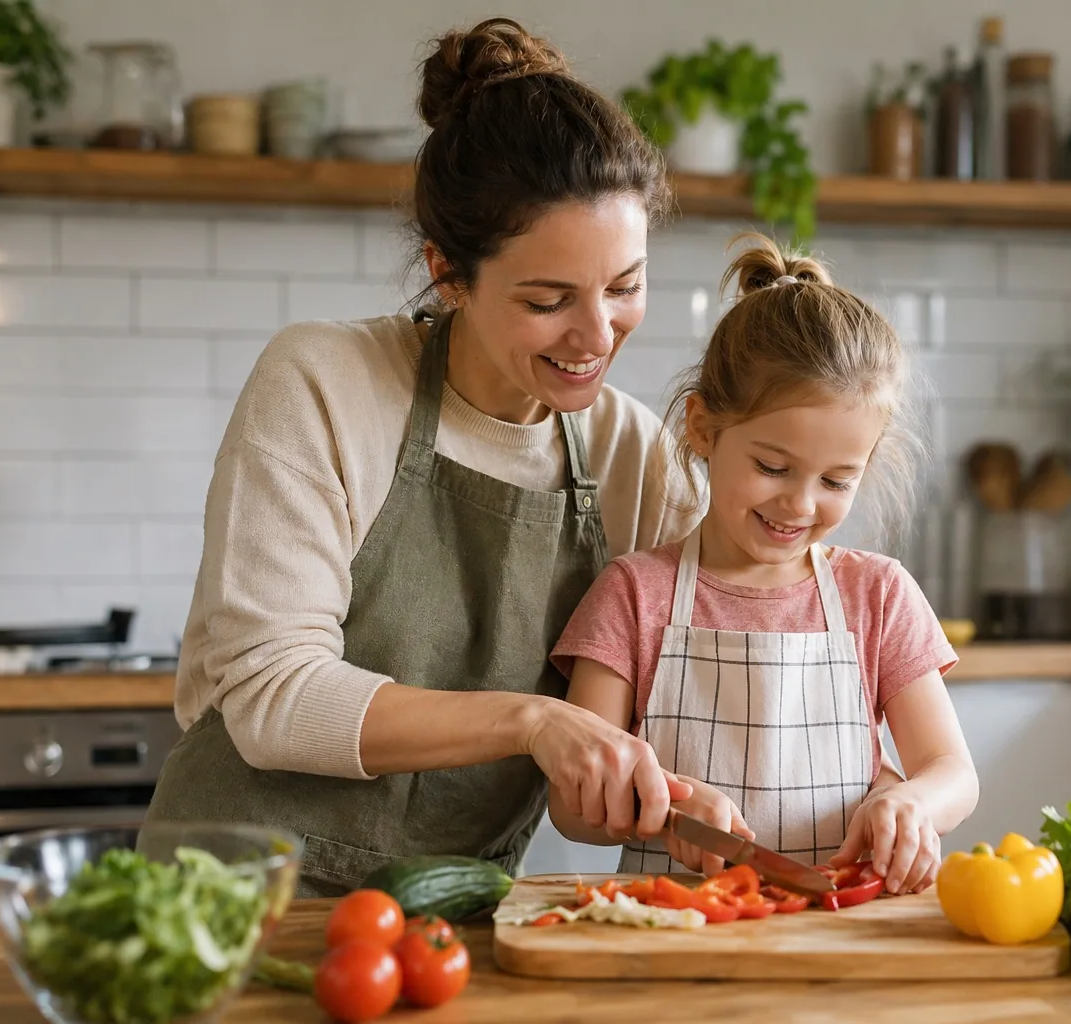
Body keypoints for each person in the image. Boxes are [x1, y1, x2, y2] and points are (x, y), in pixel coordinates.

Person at [144, 18, 710, 897]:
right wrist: (533, 722)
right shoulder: (325, 381)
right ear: (449, 273)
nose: (597, 335)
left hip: (449, 923)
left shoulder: (637, 456)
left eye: (625, 286)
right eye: (547, 298)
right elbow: (272, 698)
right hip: (224, 906)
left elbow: (685, 685)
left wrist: (668, 791)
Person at [548, 235, 980, 896]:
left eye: (837, 481)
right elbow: (571, 805)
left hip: (842, 936)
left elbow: (952, 769)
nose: (799, 503)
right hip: (681, 929)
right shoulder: (635, 595)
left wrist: (913, 804)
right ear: (702, 428)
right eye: (772, 467)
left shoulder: (879, 595)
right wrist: (661, 808)